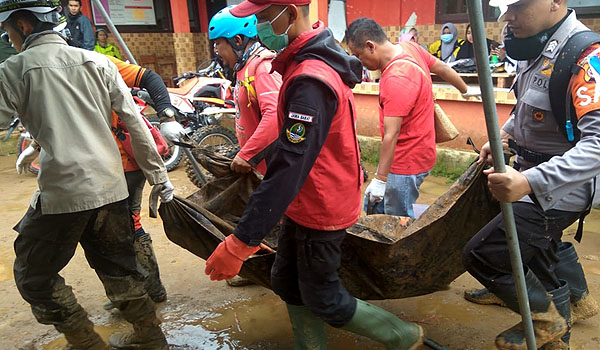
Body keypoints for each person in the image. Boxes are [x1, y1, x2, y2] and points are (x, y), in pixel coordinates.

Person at [204, 1, 424, 349]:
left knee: (324, 297)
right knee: (287, 281)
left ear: (290, 14)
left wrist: (240, 242)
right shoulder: (309, 61)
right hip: (306, 198)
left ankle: (402, 336)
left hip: (322, 204)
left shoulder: (310, 79)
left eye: (262, 18)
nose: (258, 27)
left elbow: (289, 167)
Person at [0, 1, 171, 349]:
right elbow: (135, 123)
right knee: (119, 267)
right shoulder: (97, 62)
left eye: (8, 31)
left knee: (33, 275)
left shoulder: (13, 70)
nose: (9, 38)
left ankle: (87, 342)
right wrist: (160, 178)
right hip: (112, 186)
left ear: (24, 25)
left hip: (64, 192)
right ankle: (152, 339)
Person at [462, 0, 600, 349]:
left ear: (556, 2)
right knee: (537, 252)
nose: (508, 17)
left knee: (484, 253)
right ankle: (567, 316)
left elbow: (598, 144)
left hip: (562, 187)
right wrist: (505, 136)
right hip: (529, 170)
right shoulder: (534, 43)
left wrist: (529, 182)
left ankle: (548, 322)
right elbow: (527, 105)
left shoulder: (586, 58)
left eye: (519, 6)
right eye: (504, 8)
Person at [346, 17, 480, 218]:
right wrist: (464, 89)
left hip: (405, 164)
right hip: (421, 152)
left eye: (358, 55)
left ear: (370, 46)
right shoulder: (410, 48)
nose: (360, 62)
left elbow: (392, 134)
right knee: (375, 210)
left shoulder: (396, 78)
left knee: (397, 221)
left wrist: (381, 179)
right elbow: (442, 68)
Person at [99, 55, 185, 310]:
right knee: (120, 225)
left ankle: (145, 290)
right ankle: (142, 289)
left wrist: (167, 115)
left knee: (120, 227)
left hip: (123, 161)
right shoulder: (94, 61)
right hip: (114, 160)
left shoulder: (97, 62)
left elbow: (150, 78)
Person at [208, 5, 281, 176]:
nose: (216, 50)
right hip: (256, 169)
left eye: (218, 43)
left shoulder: (263, 68)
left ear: (238, 40)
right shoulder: (243, 68)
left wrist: (247, 155)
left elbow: (274, 115)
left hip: (270, 171)